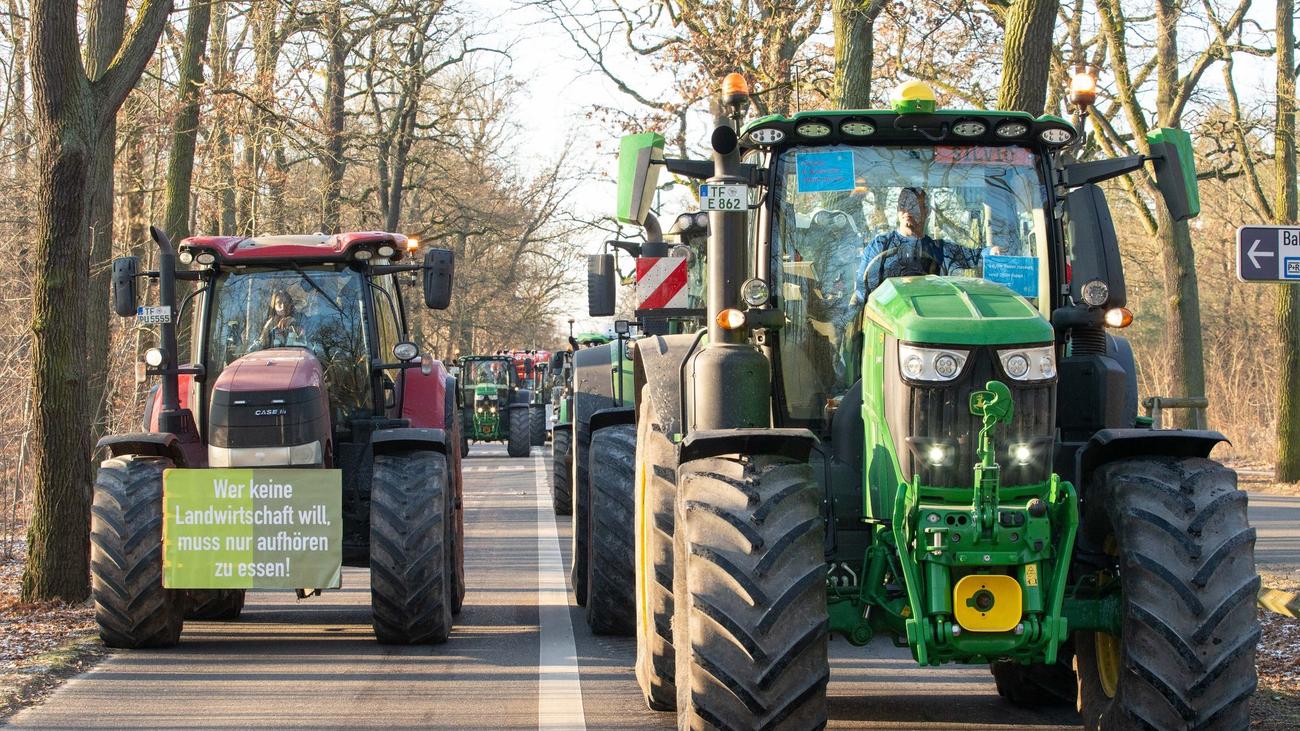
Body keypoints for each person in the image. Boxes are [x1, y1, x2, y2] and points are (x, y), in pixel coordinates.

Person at [853, 187, 999, 302]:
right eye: (903, 205)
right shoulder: (880, 245)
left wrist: (992, 252)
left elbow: (975, 256)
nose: (907, 211)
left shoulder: (940, 250)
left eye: (914, 206)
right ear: (898, 211)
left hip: (931, 314)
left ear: (926, 212)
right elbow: (862, 291)